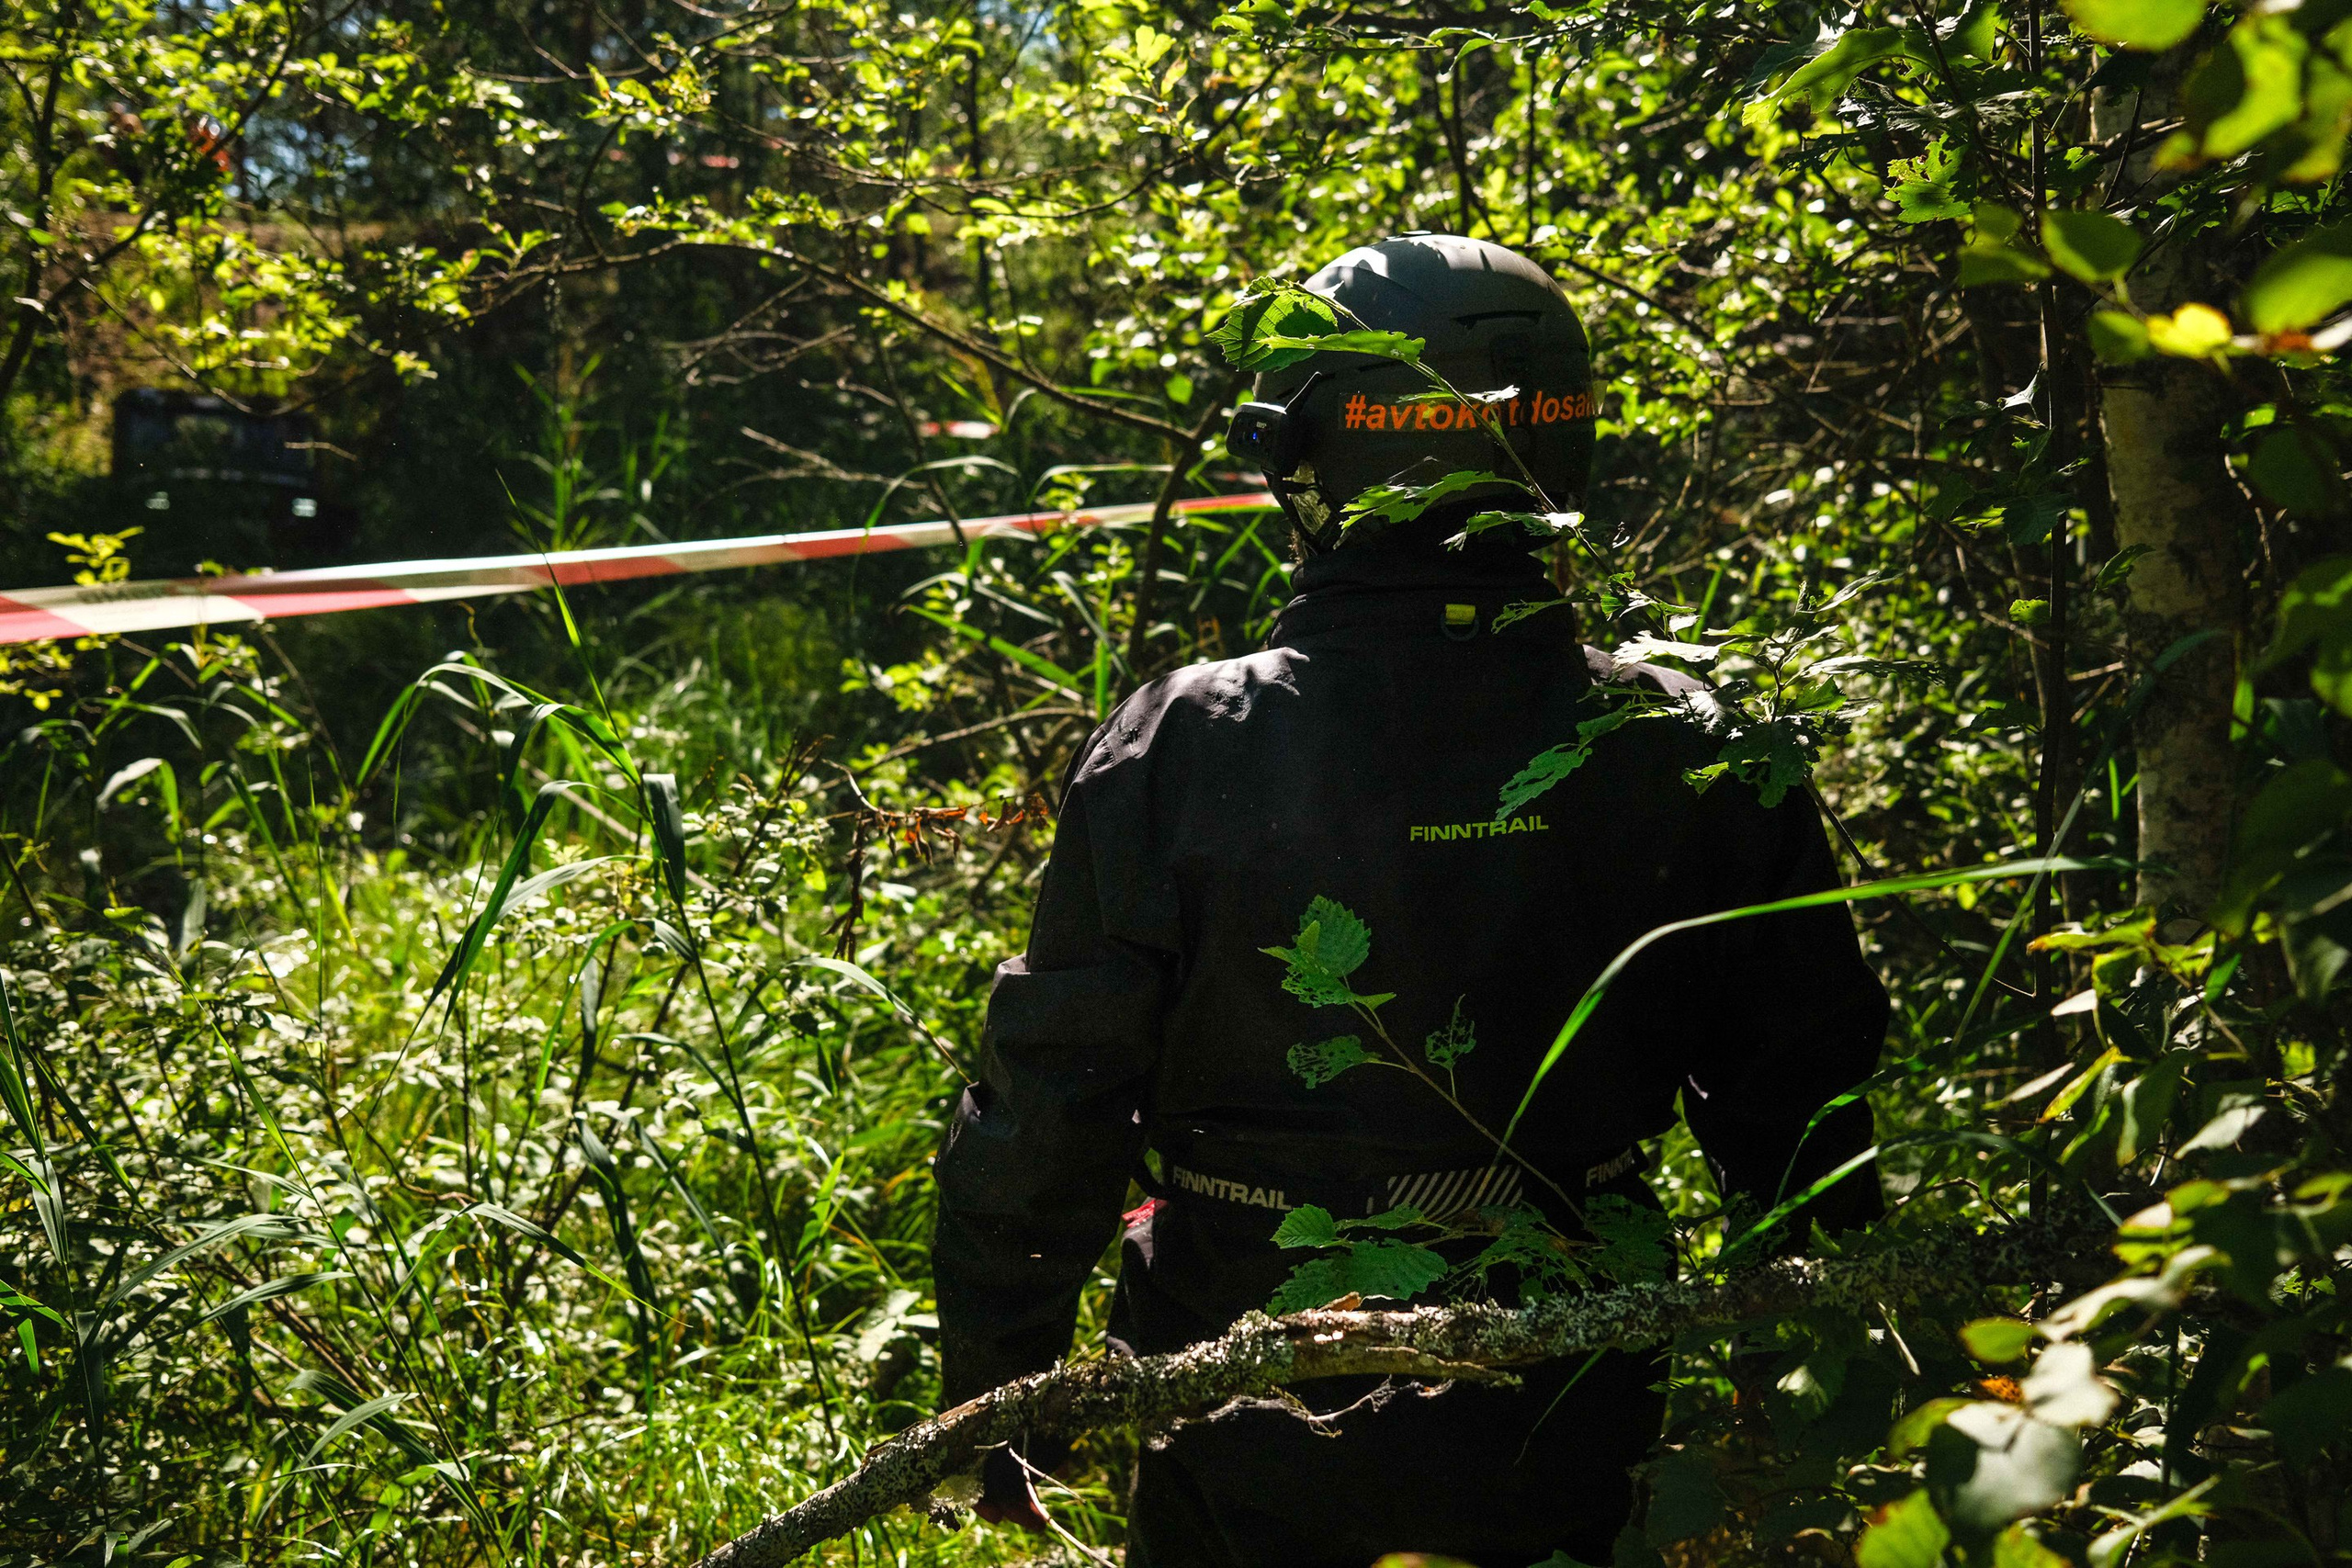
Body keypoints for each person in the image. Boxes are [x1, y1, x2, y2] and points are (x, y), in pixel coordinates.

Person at [931, 233, 1888, 1568]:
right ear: (1561, 443)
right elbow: (1803, 1102)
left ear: (1314, 453)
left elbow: (1048, 1105)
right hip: (1580, 1387)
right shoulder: (1686, 741)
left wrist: (993, 1395)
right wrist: (1818, 1400)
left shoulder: (1188, 742)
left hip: (1245, 1385)